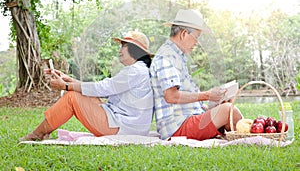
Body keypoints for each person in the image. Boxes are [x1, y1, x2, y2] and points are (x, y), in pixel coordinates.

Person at [21, 31, 154, 141]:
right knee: (80, 94)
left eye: (123, 46)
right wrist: (68, 80)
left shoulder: (135, 71)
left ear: (133, 49)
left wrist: (66, 86)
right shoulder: (139, 70)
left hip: (124, 128)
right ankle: (43, 132)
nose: (119, 51)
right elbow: (101, 88)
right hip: (125, 124)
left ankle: (36, 134)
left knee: (72, 97)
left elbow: (103, 88)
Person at [150, 9, 243, 141]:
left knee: (227, 110)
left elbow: (184, 100)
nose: (197, 43)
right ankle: (254, 140)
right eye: (196, 37)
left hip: (186, 120)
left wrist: (210, 106)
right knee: (229, 110)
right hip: (177, 127)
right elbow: (171, 96)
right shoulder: (167, 56)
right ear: (183, 34)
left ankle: (248, 136)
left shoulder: (177, 56)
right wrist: (207, 95)